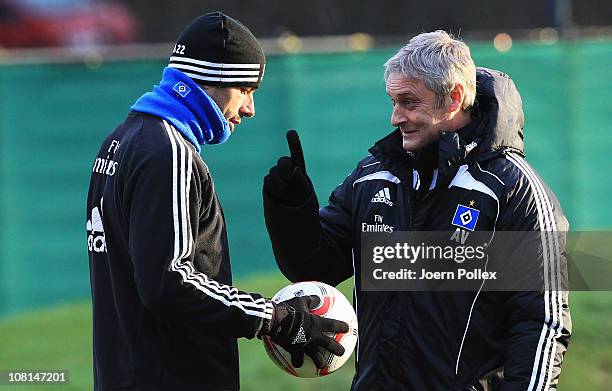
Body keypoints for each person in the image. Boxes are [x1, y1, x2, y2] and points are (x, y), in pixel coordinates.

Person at [263, 30, 571, 390]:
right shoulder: (372, 176)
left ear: (453, 98)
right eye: (393, 101)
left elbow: (543, 323)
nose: (396, 117)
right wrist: (291, 208)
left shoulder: (513, 190)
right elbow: (313, 267)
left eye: (409, 102)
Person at [86, 11, 347, 391]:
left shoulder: (122, 139)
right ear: (212, 78)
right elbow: (169, 282)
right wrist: (275, 318)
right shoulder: (168, 153)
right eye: (245, 89)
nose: (249, 109)